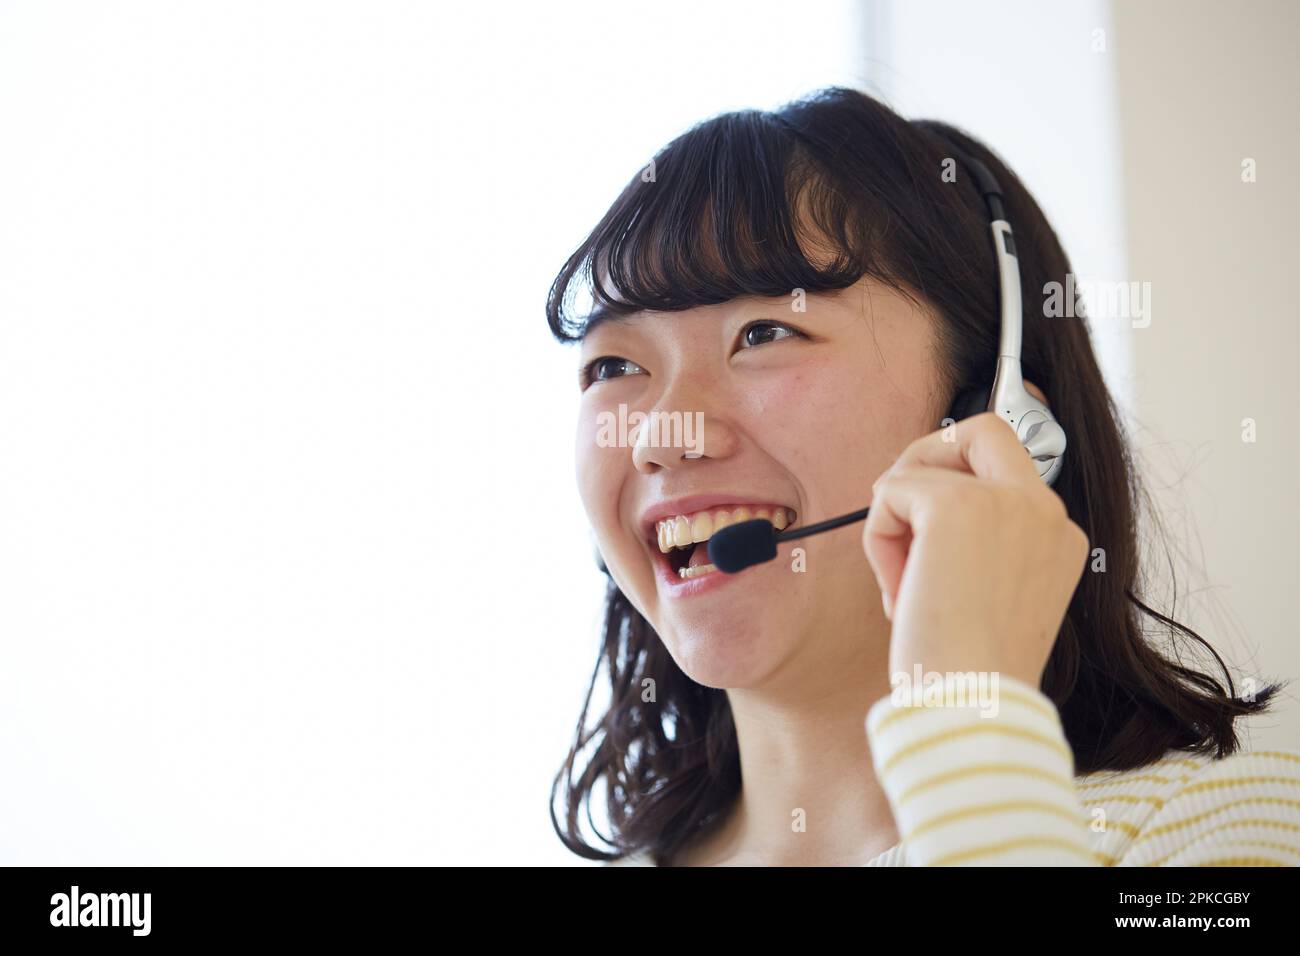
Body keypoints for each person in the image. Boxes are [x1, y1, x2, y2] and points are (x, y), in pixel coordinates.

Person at [546, 87, 1299, 866]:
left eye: (764, 332)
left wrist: (967, 725)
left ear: (992, 412)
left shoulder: (1226, 834)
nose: (663, 439)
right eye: (614, 365)